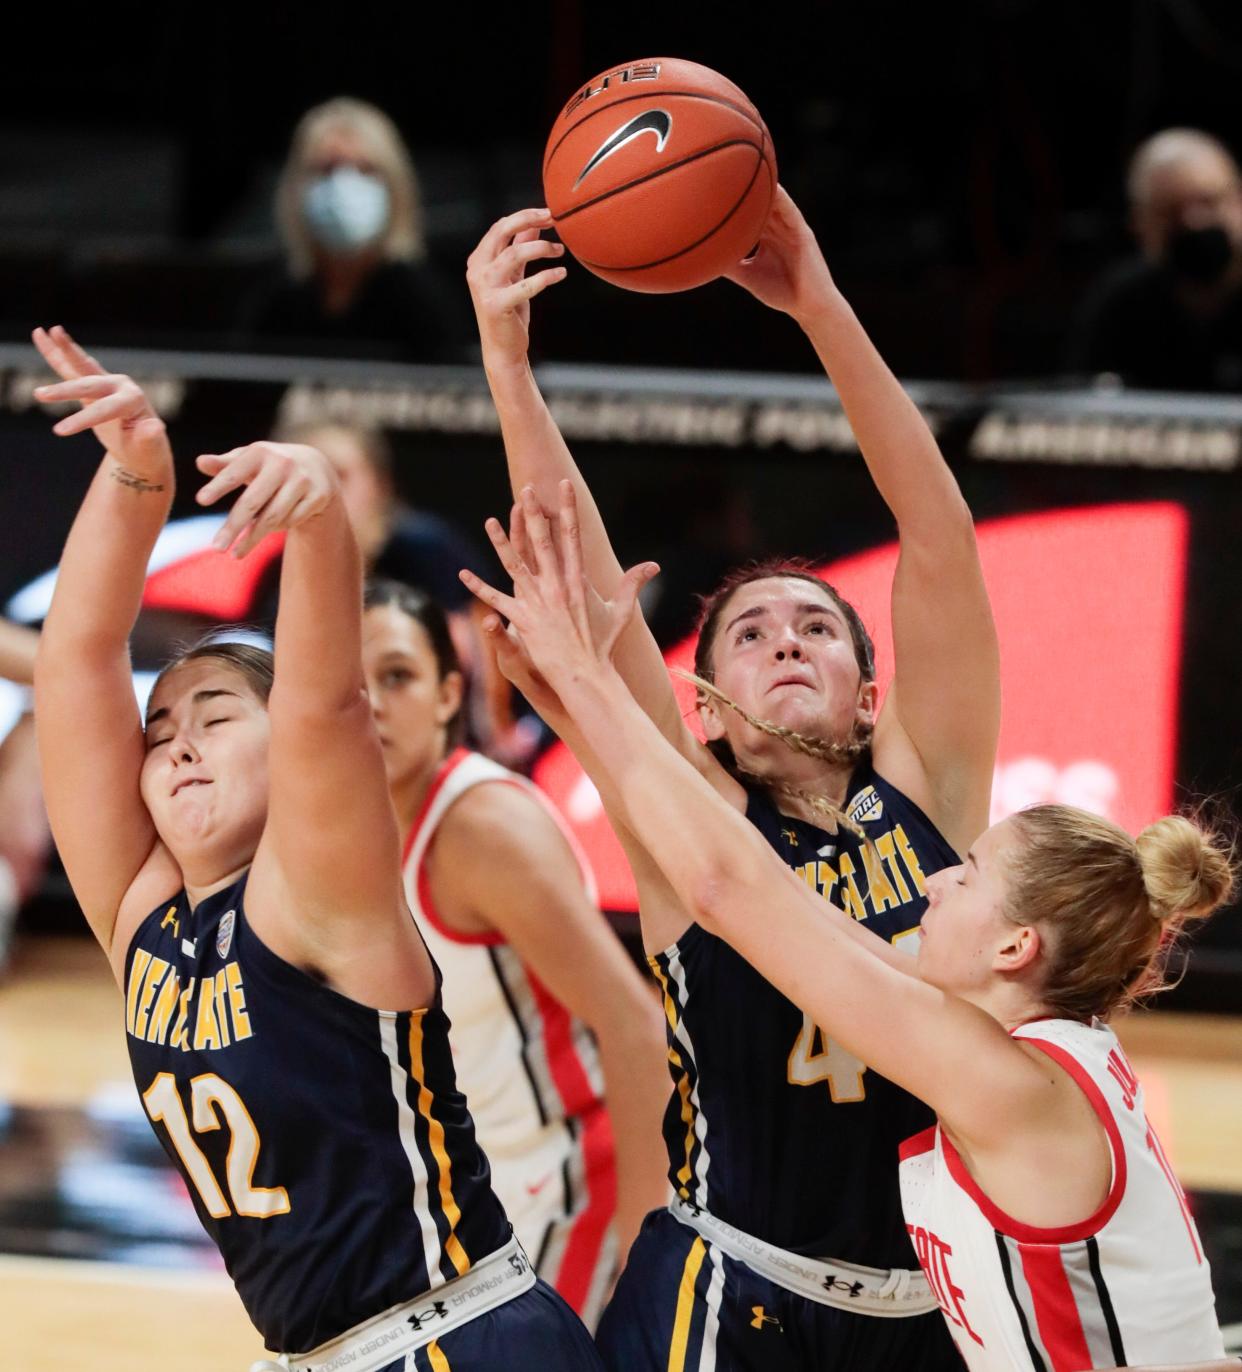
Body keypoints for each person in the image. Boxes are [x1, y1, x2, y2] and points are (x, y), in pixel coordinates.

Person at [459, 481, 1234, 1371]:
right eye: (751, 633)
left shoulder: (991, 1075)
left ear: (1017, 945)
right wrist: (577, 702)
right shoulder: (1036, 1046)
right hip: (745, 1276)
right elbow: (809, 930)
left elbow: (733, 890)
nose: (940, 883)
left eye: (968, 874)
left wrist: (585, 681)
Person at [466, 190, 1001, 1370]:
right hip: (730, 1294)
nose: (789, 640)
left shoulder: (931, 793)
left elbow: (940, 536)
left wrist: (818, 300)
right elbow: (585, 593)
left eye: (818, 626)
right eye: (749, 633)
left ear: (872, 688)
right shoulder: (692, 813)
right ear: (701, 705)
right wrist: (509, 367)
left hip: (926, 1307)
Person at [29, 325, 603, 1372]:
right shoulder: (143, 919)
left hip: (458, 1339)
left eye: (213, 715)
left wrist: (324, 518)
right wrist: (133, 475)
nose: (179, 740)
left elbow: (324, 708)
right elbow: (74, 662)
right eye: (159, 733)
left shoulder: (319, 901)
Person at [362, 578, 668, 1327]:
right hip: (466, 1192)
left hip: (568, 1182)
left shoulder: (478, 829)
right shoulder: (338, 829)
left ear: (446, 695)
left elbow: (636, 1028)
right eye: (347, 681)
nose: (369, 702)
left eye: (396, 676)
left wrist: (645, 1246)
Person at [237, 97, 466, 362]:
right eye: (326, 168)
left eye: (365, 169)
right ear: (295, 186)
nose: (344, 185)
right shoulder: (274, 302)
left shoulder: (425, 303)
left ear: (395, 186)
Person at [1069, 128, 1242, 390]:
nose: (1193, 223)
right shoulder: (1119, 304)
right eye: (1170, 211)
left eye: (1208, 202)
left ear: (1238, 201)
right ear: (1140, 224)